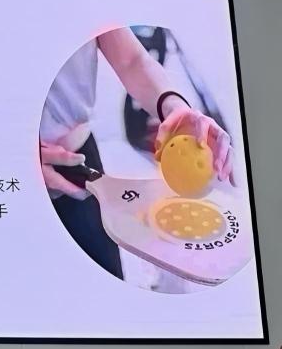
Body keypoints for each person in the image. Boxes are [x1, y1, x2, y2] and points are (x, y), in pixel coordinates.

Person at [40, 27, 235, 280]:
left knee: (104, 287)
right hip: (5, 174)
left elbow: (131, 59)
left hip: (79, 161)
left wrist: (174, 106)